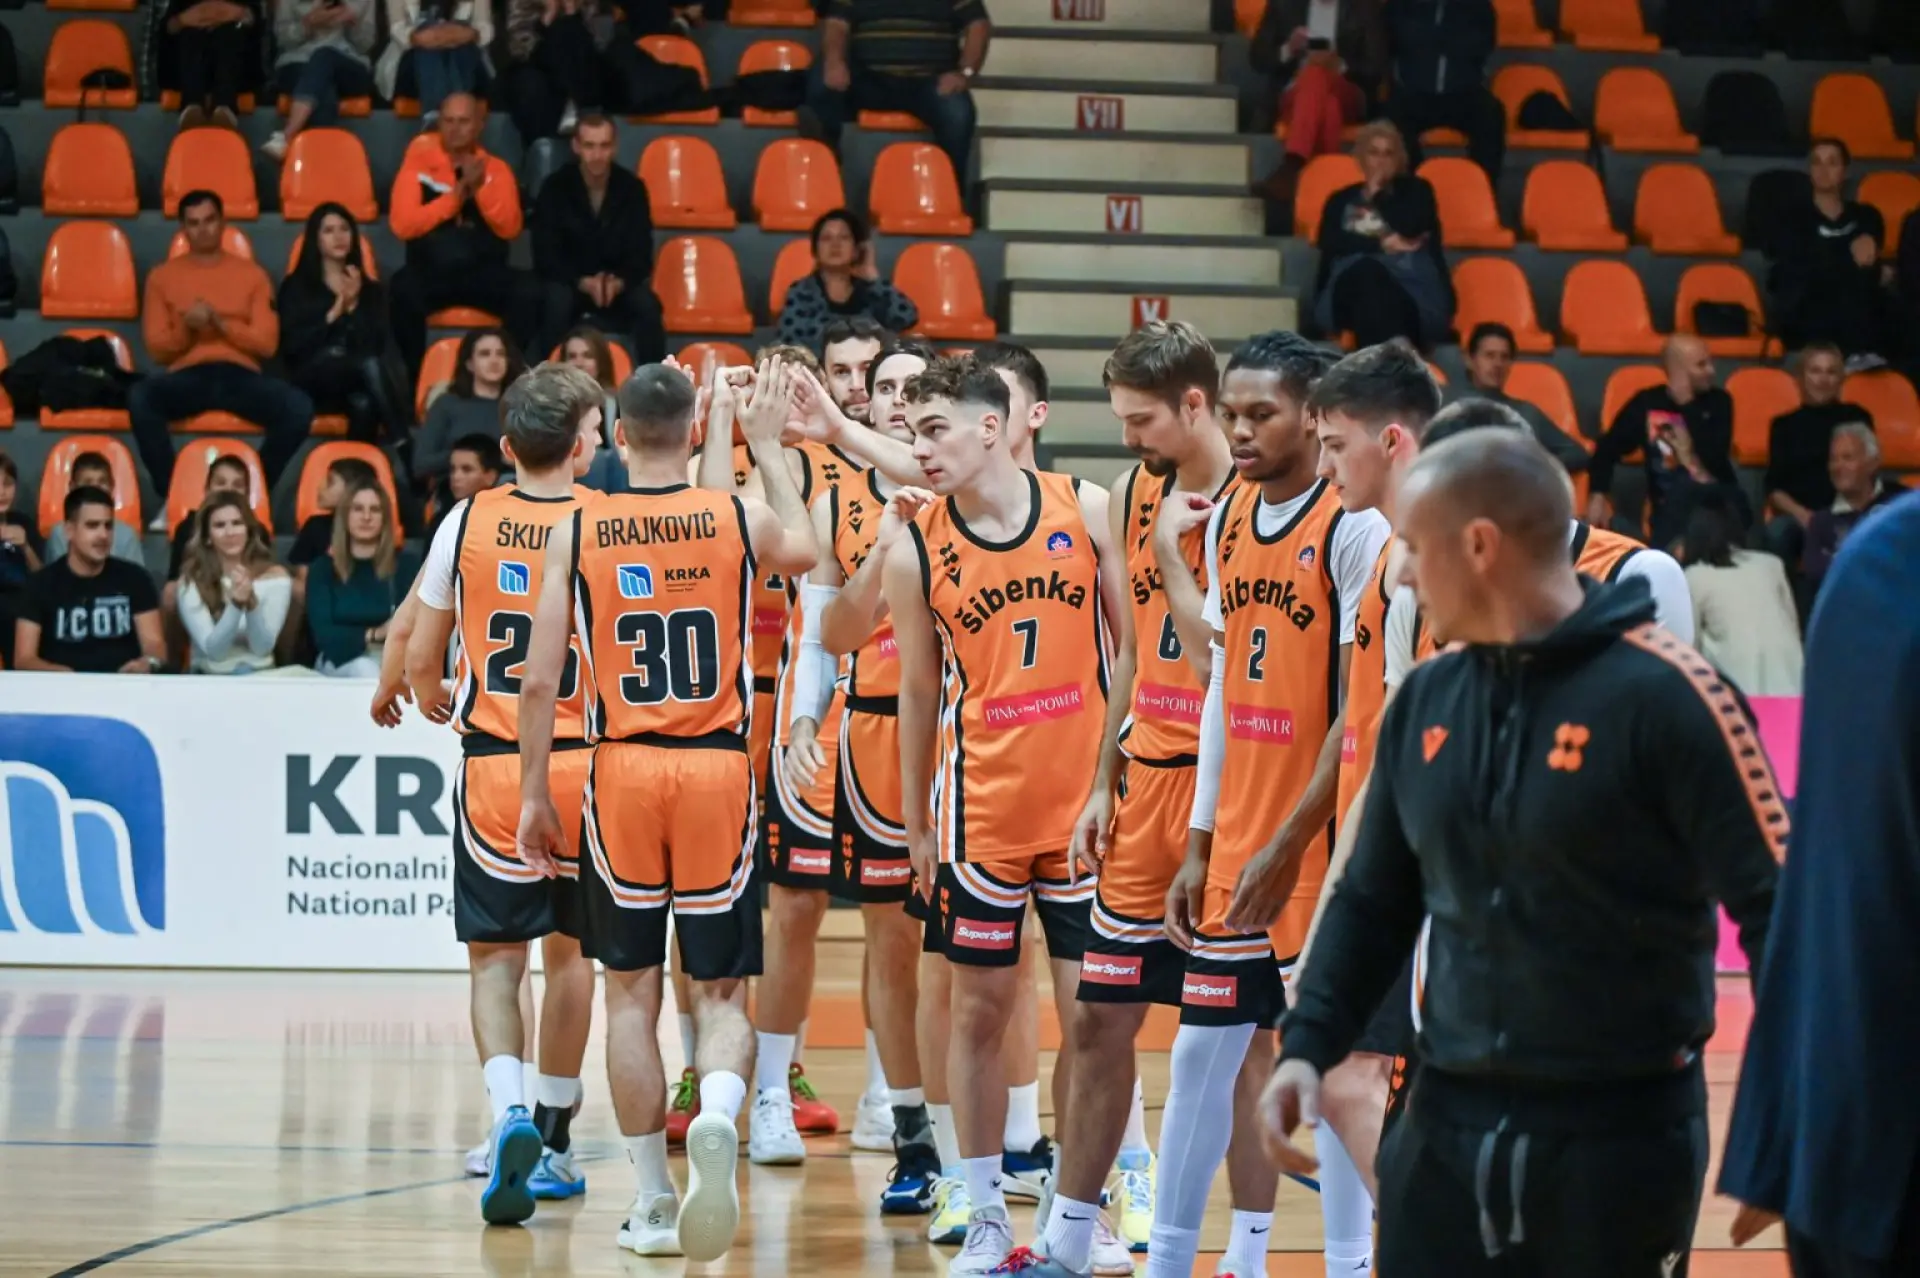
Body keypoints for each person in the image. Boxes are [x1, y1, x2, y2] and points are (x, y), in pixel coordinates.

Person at [1262, 429, 1784, 1278]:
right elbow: (1371, 900)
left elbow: (1781, 918)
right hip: (1444, 1123)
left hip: (1620, 1140)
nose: (1398, 575)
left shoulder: (1673, 698)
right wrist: (1306, 1043)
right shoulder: (1426, 700)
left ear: (1479, 546)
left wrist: (1791, 1118)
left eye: (1413, 547)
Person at [516, 357, 820, 1259]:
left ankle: (652, 1200)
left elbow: (538, 681)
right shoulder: (734, 515)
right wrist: (766, 445)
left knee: (631, 992)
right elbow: (807, 552)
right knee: (720, 989)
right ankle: (719, 1108)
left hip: (620, 770)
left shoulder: (577, 527)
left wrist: (533, 794)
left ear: (615, 438)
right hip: (717, 768)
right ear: (693, 432)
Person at [1135, 334, 1390, 1278]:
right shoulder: (1232, 513)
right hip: (1241, 835)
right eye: (1232, 413)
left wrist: (1287, 845)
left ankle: (1348, 1264)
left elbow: (1355, 714)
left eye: (1261, 415)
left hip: (1320, 849)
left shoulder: (1355, 526)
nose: (1239, 431)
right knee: (1198, 1056)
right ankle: (1169, 1262)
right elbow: (1219, 694)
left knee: (1338, 1074)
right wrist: (1202, 841)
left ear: (1314, 416)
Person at [879, 355, 1123, 1277]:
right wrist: (915, 823)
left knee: (1094, 1017)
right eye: (913, 432)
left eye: (934, 428)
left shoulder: (1085, 508)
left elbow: (1132, 653)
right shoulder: (916, 546)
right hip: (978, 813)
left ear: (992, 426)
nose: (920, 447)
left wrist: (1117, 779)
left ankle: (1078, 1205)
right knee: (977, 1012)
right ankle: (982, 1210)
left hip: (1084, 814)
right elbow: (915, 692)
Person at [1022, 322, 1241, 1278]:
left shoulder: (1252, 501)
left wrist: (1172, 556)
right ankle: (1070, 1239)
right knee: (1098, 1019)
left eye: (1141, 419)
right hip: (1144, 783)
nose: (1127, 438)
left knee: (1228, 1045)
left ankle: (1230, 1252)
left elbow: (1212, 657)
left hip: (1226, 794)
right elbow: (1139, 648)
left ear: (1195, 403)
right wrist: (1103, 777)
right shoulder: (1136, 488)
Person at [404, 362, 607, 1224]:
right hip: (590, 764)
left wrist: (429, 693)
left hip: (495, 761)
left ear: (508, 445)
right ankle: (555, 1137)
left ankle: (506, 1115)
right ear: (582, 446)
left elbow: (423, 654)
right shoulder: (609, 519)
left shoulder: (467, 519)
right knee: (572, 959)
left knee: (495, 961)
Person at [1720, 492, 1920, 1278]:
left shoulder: (1880, 563)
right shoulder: (1884, 567)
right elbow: (1839, 879)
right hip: (1865, 1148)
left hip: (1854, 1146)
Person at [804, 339, 948, 1205]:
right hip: (872, 733)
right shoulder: (839, 500)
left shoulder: (965, 486)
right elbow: (828, 634)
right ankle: (911, 1131)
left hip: (960, 736)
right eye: (883, 386)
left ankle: (994, 1136)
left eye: (911, 387)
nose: (894, 398)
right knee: (890, 943)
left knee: (968, 954)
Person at [744, 322, 887, 1167]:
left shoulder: (922, 471)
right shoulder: (796, 469)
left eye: (874, 373)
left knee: (895, 925)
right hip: (814, 717)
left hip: (897, 726)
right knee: (794, 912)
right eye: (845, 371)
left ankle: (887, 1095)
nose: (860, 386)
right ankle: (772, 1090)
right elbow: (803, 618)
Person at [132, 191, 314, 505]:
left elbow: (267, 345)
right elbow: (157, 350)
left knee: (299, 407)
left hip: (240, 376)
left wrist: (221, 324)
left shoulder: (252, 275)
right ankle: (173, 495)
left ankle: (252, 492)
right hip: (188, 376)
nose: (203, 229)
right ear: (183, 229)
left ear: (223, 222)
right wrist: (187, 328)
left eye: (209, 220)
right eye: (194, 223)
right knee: (140, 397)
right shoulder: (161, 277)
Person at [388, 96, 544, 379]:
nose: (455, 129)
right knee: (400, 289)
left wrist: (480, 187)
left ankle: (507, 378)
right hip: (431, 274)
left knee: (529, 291)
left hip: (484, 275)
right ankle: (416, 379)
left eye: (463, 121)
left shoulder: (496, 169)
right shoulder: (417, 165)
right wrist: (455, 198)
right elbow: (402, 225)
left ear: (479, 125)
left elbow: (510, 228)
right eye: (448, 121)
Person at [531, 115, 667, 368]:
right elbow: (545, 253)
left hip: (617, 285)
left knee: (648, 306)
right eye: (589, 146)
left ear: (614, 147)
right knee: (554, 301)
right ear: (576, 146)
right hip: (570, 282)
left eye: (604, 146)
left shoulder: (632, 188)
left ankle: (655, 381)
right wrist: (581, 281)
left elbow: (641, 252)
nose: (597, 155)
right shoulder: (555, 187)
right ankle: (547, 379)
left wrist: (618, 282)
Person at [805, 0, 991, 182]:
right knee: (819, 83)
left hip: (929, 83)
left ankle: (950, 190)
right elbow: (836, 23)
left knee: (958, 113)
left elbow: (978, 24)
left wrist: (965, 73)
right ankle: (825, 166)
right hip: (870, 79)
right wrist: (834, 62)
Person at [1587, 334, 1740, 551]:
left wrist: (1686, 405)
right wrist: (1598, 493)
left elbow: (1714, 458)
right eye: (1701, 365)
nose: (1711, 371)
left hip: (1715, 509)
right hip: (1669, 515)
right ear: (1678, 370)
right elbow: (1607, 447)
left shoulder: (1719, 402)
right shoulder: (1648, 403)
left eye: (1710, 362)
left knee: (1690, 488)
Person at [1311, 121, 1454, 351]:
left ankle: (1384, 358)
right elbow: (1330, 241)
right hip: (1347, 290)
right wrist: (1381, 244)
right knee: (1367, 272)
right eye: (1374, 153)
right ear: (1361, 158)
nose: (1381, 161)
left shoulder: (1417, 192)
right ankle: (1397, 350)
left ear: (1399, 160)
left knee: (1375, 291)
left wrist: (1377, 196)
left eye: (1389, 154)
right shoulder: (1340, 200)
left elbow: (1410, 226)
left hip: (1412, 293)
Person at [278, 203, 407, 444]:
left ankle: (354, 465)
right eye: (328, 230)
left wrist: (354, 305)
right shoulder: (296, 288)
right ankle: (404, 443)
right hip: (311, 380)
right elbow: (294, 347)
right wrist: (337, 309)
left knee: (364, 404)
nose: (338, 237)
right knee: (368, 366)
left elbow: (375, 345)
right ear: (315, 239)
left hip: (355, 381)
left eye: (344, 229)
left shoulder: (370, 290)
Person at [1768, 138, 1894, 370]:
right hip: (1809, 311)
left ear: (1846, 171)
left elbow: (1862, 252)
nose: (1823, 170)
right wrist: (1866, 266)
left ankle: (1862, 354)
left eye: (1832, 162)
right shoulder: (1791, 217)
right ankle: (1850, 353)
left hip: (1853, 309)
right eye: (1817, 162)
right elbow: (1805, 267)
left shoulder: (1865, 216)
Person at [13, 488, 166, 674]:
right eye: (92, 526)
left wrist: (148, 663)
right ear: (69, 530)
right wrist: (58, 673)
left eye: (108, 526)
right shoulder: (40, 584)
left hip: (124, 684)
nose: (103, 535)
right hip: (60, 688)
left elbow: (154, 645)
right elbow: (24, 659)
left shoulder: (136, 578)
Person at [1249, 0, 1388, 205]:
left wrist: (1339, 65)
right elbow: (1257, 59)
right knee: (1328, 106)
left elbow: (1376, 68)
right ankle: (1327, 191)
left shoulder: (1364, 8)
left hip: (1347, 90)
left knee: (1317, 74)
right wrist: (1288, 48)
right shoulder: (1284, 5)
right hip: (1295, 93)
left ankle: (1293, 165)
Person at [1678, 487, 1803, 696]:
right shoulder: (1771, 564)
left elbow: (1688, 653)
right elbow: (1794, 629)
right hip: (1796, 691)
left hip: (1741, 703)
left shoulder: (1694, 577)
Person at [1763, 342, 1874, 573]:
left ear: (1841, 379)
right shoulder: (1783, 425)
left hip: (1849, 512)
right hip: (1800, 516)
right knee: (1778, 532)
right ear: (1800, 378)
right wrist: (1806, 518)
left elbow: (1868, 473)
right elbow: (1774, 489)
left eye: (1831, 372)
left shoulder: (1857, 417)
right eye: (1815, 371)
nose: (1823, 379)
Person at [501, 0, 656, 142]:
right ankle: (579, 109)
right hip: (542, 67)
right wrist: (549, 15)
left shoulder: (588, 4)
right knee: (533, 81)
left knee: (570, 29)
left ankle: (579, 108)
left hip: (585, 69)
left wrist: (572, 12)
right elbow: (519, 49)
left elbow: (601, 44)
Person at [1382, 0, 1503, 181]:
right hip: (1413, 91)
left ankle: (1482, 185)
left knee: (1492, 114)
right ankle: (1414, 185)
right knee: (1391, 118)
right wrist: (1442, 39)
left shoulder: (1477, 5)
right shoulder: (1402, 4)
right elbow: (1394, 40)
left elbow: (1483, 43)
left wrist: (1434, 38)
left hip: (1464, 92)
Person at [306, 479, 417, 676]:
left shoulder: (406, 566)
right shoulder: (322, 569)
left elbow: (413, 628)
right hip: (338, 661)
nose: (366, 517)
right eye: (358, 509)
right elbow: (325, 637)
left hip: (393, 659)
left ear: (385, 518)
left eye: (375, 510)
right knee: (364, 669)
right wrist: (376, 633)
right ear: (345, 516)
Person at [775, 210, 920, 355]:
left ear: (857, 250)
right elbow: (789, 344)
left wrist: (872, 275)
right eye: (826, 238)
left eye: (844, 237)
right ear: (815, 251)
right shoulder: (801, 293)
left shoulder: (872, 291)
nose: (835, 244)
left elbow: (907, 317)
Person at [178, 491, 292, 674]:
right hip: (209, 676)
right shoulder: (190, 581)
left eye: (237, 523)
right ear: (207, 537)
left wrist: (251, 604)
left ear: (249, 530)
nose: (230, 533)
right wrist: (236, 605)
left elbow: (262, 648)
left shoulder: (276, 578)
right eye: (220, 525)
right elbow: (215, 653)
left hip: (261, 676)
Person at [1453, 322, 1589, 474]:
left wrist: (1538, 467)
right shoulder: (1447, 408)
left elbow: (1577, 453)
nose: (1498, 364)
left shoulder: (1526, 412)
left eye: (1504, 357)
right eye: (1489, 356)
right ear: (1469, 360)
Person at [262, 0, 378, 159]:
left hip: (347, 63)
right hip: (298, 62)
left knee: (324, 55)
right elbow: (283, 40)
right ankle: (325, 165)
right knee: (324, 94)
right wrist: (308, 23)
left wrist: (353, 22)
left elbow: (365, 45)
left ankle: (288, 134)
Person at [416, 329, 526, 494]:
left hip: (508, 488)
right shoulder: (446, 404)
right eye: (485, 354)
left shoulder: (520, 405)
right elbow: (421, 464)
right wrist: (468, 457)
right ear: (469, 363)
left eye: (500, 354)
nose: (494, 361)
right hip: (454, 491)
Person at [1803, 421, 1905, 597]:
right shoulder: (1821, 522)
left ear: (1873, 463)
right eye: (1833, 459)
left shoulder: (1899, 507)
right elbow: (1816, 572)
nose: (1838, 467)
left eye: (1847, 458)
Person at [376, 0, 494, 121]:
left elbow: (485, 29)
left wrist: (453, 34)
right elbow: (397, 29)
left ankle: (436, 116)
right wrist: (422, 37)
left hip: (466, 53)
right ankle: (455, 116)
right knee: (427, 32)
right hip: (411, 56)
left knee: (462, 47)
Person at [161, 0, 262, 130]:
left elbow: (251, 18)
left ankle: (225, 107)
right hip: (191, 49)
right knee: (190, 36)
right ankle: (192, 106)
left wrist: (223, 13)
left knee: (230, 34)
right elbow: (170, 26)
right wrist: (185, 19)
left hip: (233, 50)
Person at [289, 454, 379, 588]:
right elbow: (304, 579)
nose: (320, 487)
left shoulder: (374, 526)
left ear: (353, 489)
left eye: (330, 482)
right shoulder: (316, 526)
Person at [44, 451, 146, 566]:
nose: (96, 488)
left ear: (112, 486)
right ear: (72, 487)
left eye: (102, 482)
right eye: (87, 482)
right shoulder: (60, 533)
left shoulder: (127, 536)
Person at [0, 448, 45, 668]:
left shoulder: (23, 523)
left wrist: (26, 547)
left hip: (20, 608)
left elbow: (42, 576)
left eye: (8, 484)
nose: (2, 492)